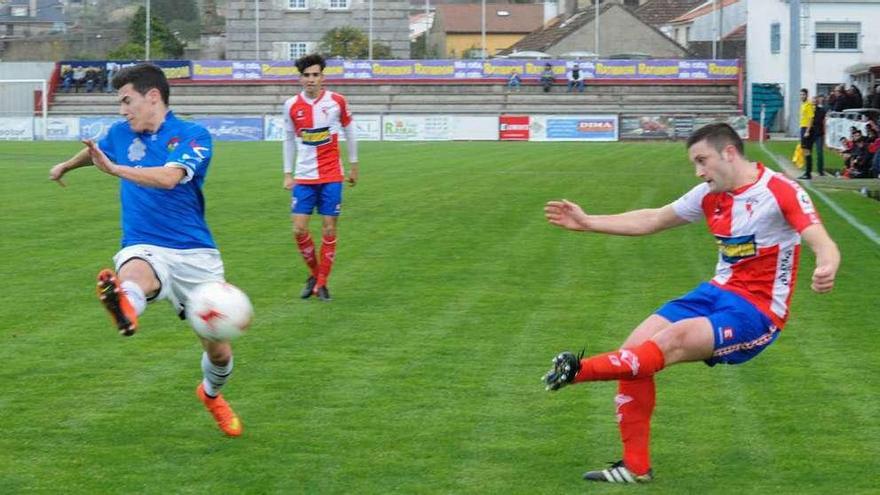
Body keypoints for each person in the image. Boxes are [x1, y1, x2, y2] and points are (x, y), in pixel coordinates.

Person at [542, 123, 840, 484]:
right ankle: (635, 468)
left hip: (757, 310)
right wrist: (589, 222)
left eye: (702, 160)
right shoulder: (708, 194)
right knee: (634, 351)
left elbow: (820, 239)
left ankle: (578, 370)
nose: (699, 171)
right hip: (715, 292)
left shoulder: (779, 191)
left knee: (671, 341)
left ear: (729, 152)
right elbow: (653, 218)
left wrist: (827, 263)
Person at [47, 63, 244, 438]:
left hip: (196, 255)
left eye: (127, 101)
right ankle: (125, 306)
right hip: (144, 242)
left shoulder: (193, 134)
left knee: (219, 353)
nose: (122, 110)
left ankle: (211, 394)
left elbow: (169, 179)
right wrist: (65, 166)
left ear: (153, 96)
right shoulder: (120, 133)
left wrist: (116, 169)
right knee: (135, 270)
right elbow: (95, 153)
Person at [283, 53, 359, 302]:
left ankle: (322, 284)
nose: (311, 80)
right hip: (304, 177)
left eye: (316, 75)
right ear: (300, 79)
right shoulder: (291, 105)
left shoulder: (337, 101)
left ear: (322, 77)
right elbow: (288, 140)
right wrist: (287, 173)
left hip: (331, 175)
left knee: (328, 229)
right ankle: (316, 275)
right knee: (298, 229)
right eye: (307, 75)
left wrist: (354, 164)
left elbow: (350, 131)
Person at [797, 88, 815, 180]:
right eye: (800, 94)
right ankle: (807, 172)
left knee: (807, 151)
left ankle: (808, 173)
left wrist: (807, 131)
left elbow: (811, 118)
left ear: (806, 95)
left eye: (803, 94)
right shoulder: (803, 104)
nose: (801, 96)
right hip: (803, 127)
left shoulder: (809, 105)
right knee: (805, 150)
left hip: (806, 129)